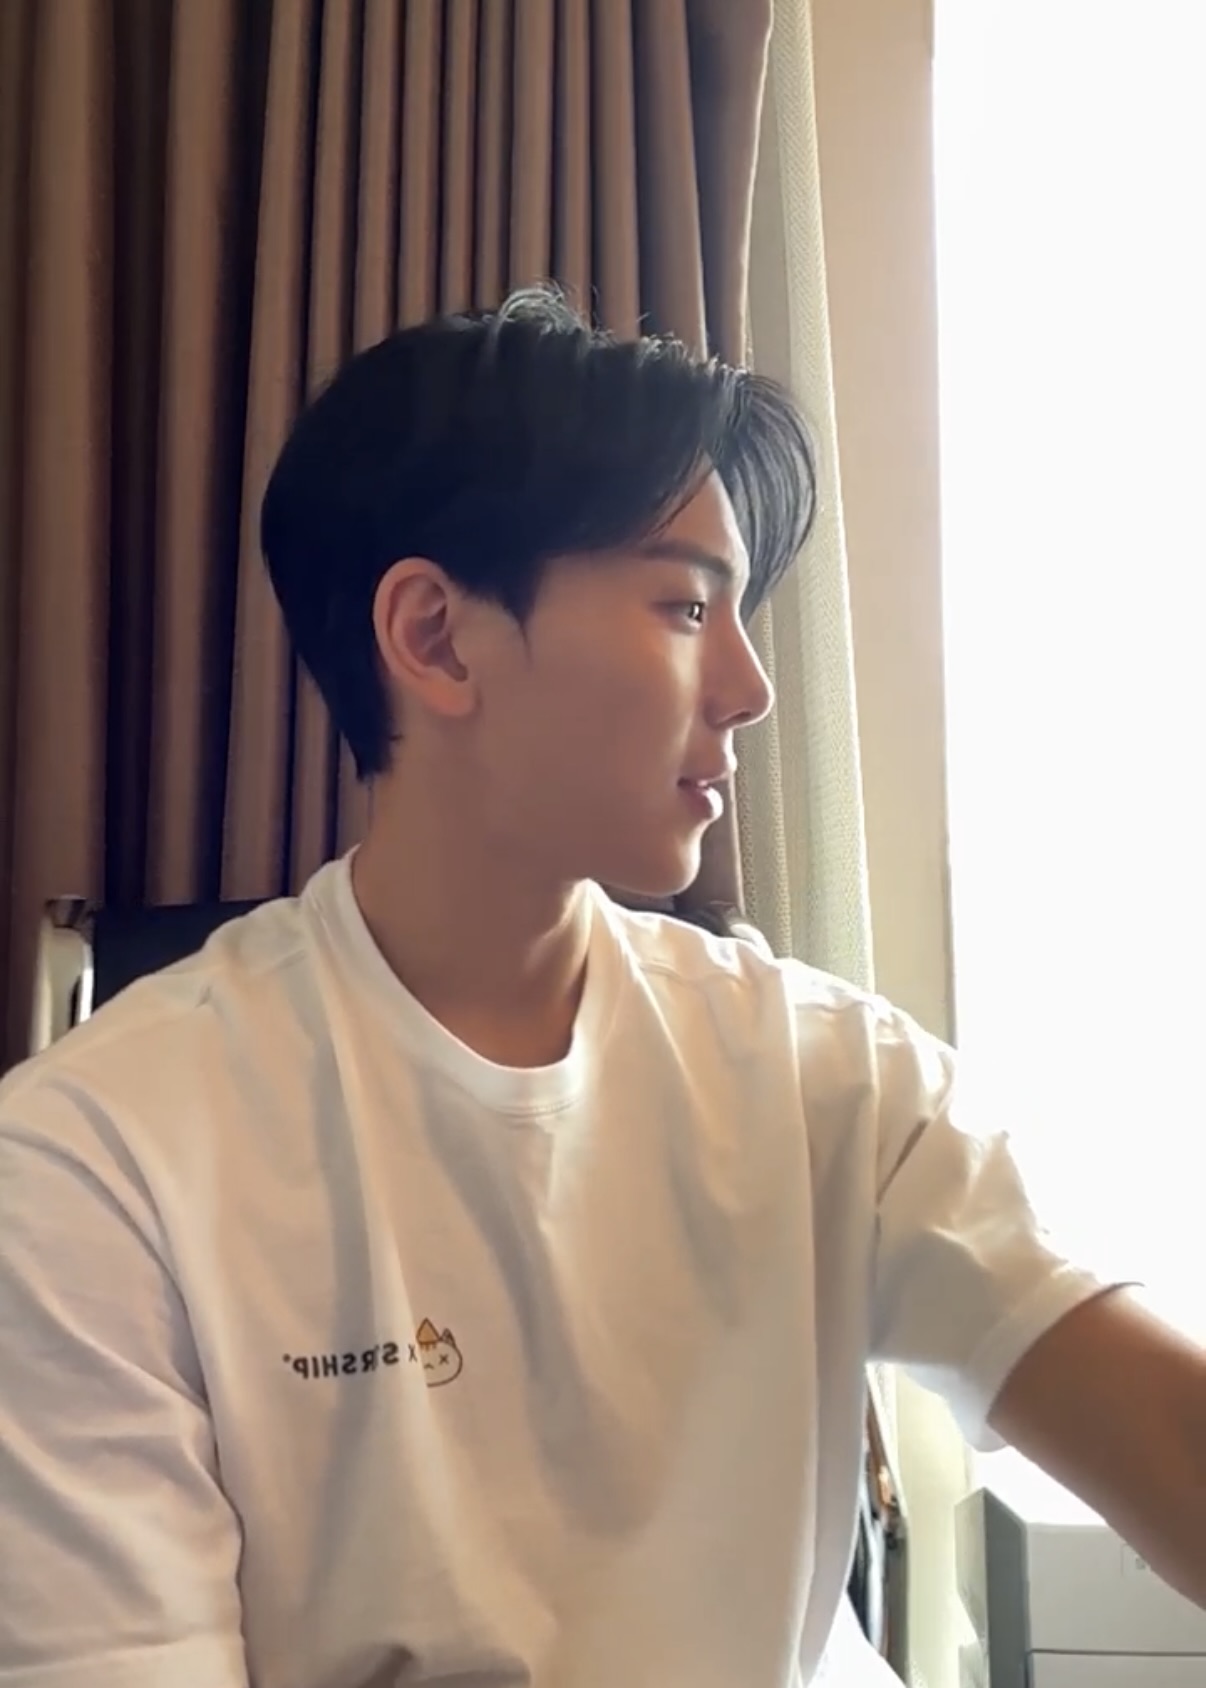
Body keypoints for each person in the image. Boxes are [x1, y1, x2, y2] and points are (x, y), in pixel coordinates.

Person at [0, 291, 1202, 1688]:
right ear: (436, 638)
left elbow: (1158, 1436)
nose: (749, 686)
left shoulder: (829, 1077)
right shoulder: (98, 1159)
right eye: (686, 604)